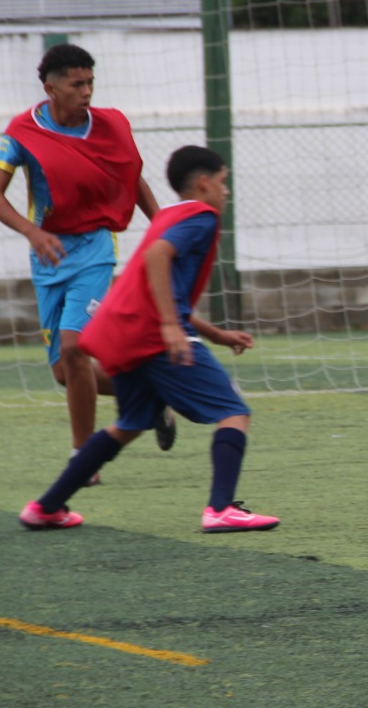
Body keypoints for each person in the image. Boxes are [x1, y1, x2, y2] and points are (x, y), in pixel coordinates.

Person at [18, 145, 279, 533]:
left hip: (125, 334)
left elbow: (160, 285)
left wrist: (217, 334)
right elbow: (158, 258)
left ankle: (46, 507)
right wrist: (173, 328)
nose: (226, 192)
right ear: (204, 183)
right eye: (223, 183)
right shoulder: (202, 216)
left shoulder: (169, 217)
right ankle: (221, 509)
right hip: (154, 336)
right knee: (234, 412)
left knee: (128, 424)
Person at [0, 44, 176, 477]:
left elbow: (132, 176)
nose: (87, 92)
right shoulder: (22, 132)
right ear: (51, 88)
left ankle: (83, 458)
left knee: (75, 347)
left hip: (94, 249)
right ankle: (150, 394)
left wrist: (163, 226)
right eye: (77, 84)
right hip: (48, 255)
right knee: (65, 373)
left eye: (90, 83)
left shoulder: (109, 126)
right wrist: (32, 231)